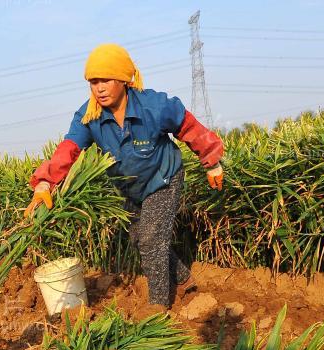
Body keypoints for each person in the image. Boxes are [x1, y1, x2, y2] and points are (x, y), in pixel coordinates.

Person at [24, 43, 224, 309]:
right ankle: (184, 280)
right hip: (128, 187)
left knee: (152, 238)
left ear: (123, 79)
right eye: (93, 82)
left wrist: (211, 161)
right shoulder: (89, 116)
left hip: (163, 178)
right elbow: (69, 149)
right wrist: (45, 183)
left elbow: (188, 126)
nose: (100, 88)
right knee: (140, 238)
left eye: (105, 80)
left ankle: (158, 306)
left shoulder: (153, 105)